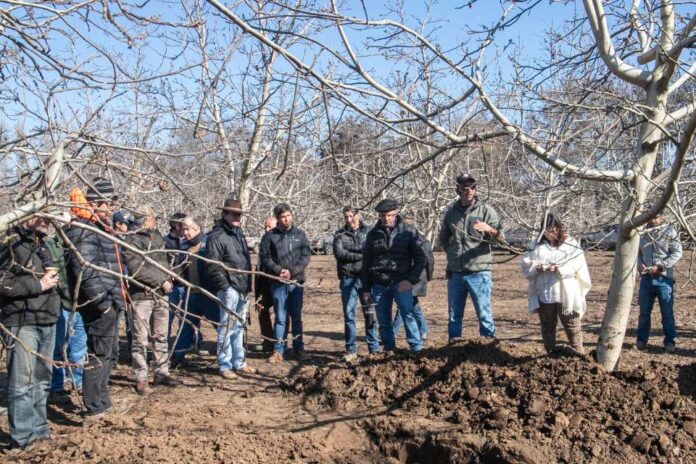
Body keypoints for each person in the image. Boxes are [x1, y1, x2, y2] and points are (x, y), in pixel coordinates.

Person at [63, 177, 127, 419]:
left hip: (112, 300)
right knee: (98, 354)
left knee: (108, 354)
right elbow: (85, 269)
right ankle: (93, 406)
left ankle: (102, 399)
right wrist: (103, 304)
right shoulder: (83, 228)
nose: (111, 209)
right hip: (100, 305)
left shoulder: (100, 227)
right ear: (96, 203)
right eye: (108, 203)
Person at [0, 215, 61, 450]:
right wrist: (39, 285)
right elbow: (3, 282)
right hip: (22, 322)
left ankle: (39, 429)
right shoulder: (10, 243)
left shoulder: (42, 243)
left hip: (47, 319)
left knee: (42, 380)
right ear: (29, 216)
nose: (49, 221)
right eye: (43, 216)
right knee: (22, 382)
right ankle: (23, 438)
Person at [122, 208, 180, 394]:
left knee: (161, 336)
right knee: (140, 339)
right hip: (141, 296)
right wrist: (160, 281)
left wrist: (169, 277)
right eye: (152, 217)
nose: (155, 220)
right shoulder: (131, 240)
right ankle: (141, 377)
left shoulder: (158, 238)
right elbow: (136, 269)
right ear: (146, 219)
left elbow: (164, 263)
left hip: (161, 294)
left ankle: (162, 372)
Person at [439, 174, 504, 341]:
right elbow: (443, 237)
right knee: (454, 316)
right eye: (465, 188)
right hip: (456, 273)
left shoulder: (486, 210)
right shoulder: (451, 213)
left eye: (472, 187)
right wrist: (452, 253)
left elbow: (501, 238)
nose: (469, 191)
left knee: (484, 314)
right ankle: (454, 347)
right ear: (458, 189)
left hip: (479, 272)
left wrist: (491, 230)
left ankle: (488, 348)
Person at [362, 199, 425, 353]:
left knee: (408, 317)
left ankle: (417, 350)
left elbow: (420, 258)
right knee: (384, 323)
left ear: (396, 213)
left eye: (389, 215)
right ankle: (389, 352)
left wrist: (411, 281)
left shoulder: (408, 231)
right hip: (379, 285)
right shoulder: (372, 235)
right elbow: (366, 263)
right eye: (383, 215)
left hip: (401, 283)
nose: (386, 218)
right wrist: (366, 289)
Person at [520, 214, 590, 354]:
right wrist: (536, 267)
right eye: (547, 231)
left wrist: (559, 268)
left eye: (554, 230)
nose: (551, 234)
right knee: (547, 325)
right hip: (544, 291)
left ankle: (578, 353)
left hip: (566, 292)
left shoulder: (570, 243)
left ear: (559, 228)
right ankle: (551, 353)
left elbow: (578, 263)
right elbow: (526, 262)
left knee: (572, 325)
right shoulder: (536, 244)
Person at [206, 199, 255, 378]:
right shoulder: (216, 236)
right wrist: (226, 287)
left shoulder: (238, 234)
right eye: (234, 214)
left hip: (242, 287)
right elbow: (213, 265)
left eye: (239, 214)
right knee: (226, 327)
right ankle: (224, 365)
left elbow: (245, 261)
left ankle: (239, 362)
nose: (237, 217)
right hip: (230, 289)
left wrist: (246, 286)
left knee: (239, 327)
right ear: (224, 214)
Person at [260, 203, 311, 363]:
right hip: (278, 283)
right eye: (283, 217)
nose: (286, 219)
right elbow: (265, 257)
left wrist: (292, 272)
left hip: (296, 282)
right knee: (280, 318)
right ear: (277, 219)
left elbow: (305, 257)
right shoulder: (270, 236)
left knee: (296, 317)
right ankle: (278, 350)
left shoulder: (300, 235)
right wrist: (279, 271)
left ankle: (298, 348)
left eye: (288, 215)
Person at [171, 215, 220, 367]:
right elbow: (179, 268)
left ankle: (229, 357)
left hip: (208, 294)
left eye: (187, 229)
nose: (184, 232)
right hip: (190, 294)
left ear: (197, 228)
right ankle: (177, 358)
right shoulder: (184, 247)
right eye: (183, 229)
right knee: (186, 328)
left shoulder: (208, 242)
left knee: (222, 326)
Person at [47, 233, 87, 404]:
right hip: (60, 305)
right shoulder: (50, 246)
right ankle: (57, 386)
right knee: (58, 348)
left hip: (82, 305)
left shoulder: (82, 244)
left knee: (78, 348)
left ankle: (77, 382)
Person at [333, 207, 377, 361]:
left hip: (367, 279)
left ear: (358, 215)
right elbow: (340, 254)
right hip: (348, 278)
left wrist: (360, 253)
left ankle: (374, 348)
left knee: (370, 314)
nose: (349, 219)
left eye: (352, 216)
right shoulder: (340, 234)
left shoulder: (369, 232)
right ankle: (351, 349)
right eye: (346, 216)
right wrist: (361, 254)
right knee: (349, 314)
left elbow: (372, 250)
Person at [635, 212, 683, 353]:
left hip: (664, 279)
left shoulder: (669, 231)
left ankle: (670, 341)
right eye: (651, 217)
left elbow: (677, 252)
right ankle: (641, 340)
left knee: (667, 313)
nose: (653, 220)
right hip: (646, 279)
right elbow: (637, 252)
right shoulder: (642, 232)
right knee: (644, 312)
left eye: (656, 217)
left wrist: (661, 266)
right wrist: (640, 264)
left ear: (662, 217)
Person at [393, 214, 434, 342]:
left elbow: (428, 260)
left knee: (402, 305)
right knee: (414, 304)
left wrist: (427, 277)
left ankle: (392, 332)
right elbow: (430, 261)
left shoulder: (417, 240)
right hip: (414, 277)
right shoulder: (420, 239)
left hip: (414, 278)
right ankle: (423, 330)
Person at [253, 216, 278, 353]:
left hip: (275, 280)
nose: (267, 229)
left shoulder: (279, 240)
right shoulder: (263, 240)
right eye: (265, 227)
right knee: (262, 310)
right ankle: (267, 340)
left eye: (270, 226)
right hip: (262, 282)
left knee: (281, 313)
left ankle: (279, 342)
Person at [164, 212, 189, 338]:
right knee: (167, 316)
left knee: (188, 317)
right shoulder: (165, 242)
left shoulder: (188, 241)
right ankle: (164, 344)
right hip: (172, 286)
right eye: (183, 226)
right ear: (177, 226)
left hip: (187, 284)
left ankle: (190, 343)